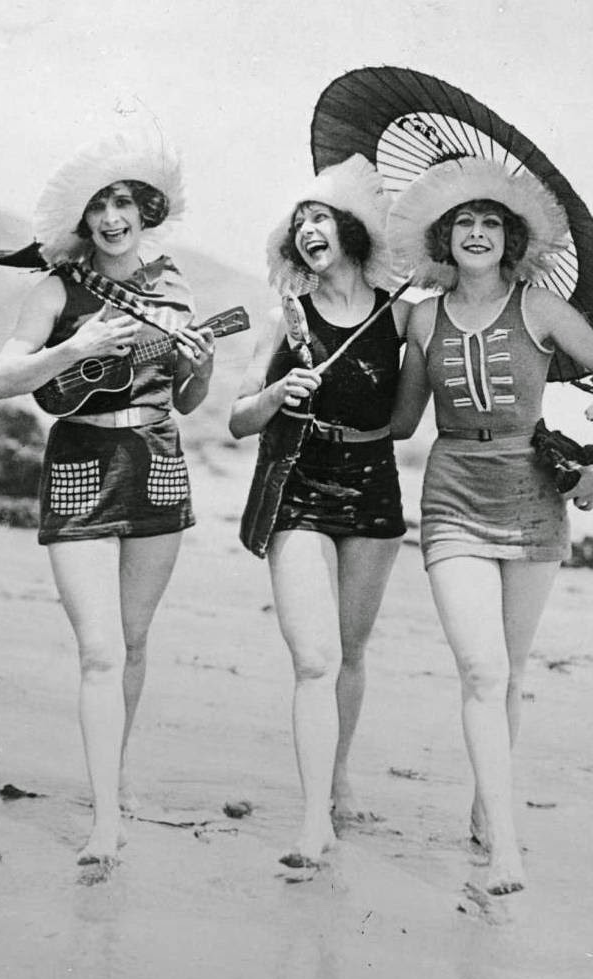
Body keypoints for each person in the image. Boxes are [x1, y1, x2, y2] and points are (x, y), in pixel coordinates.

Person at [386, 156, 593, 895]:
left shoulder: (540, 310)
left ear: (512, 238)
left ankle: (482, 802)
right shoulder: (420, 316)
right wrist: (314, 405)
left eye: (489, 221)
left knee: (511, 673)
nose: (475, 232)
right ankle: (504, 848)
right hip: (452, 495)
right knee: (482, 668)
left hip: (531, 495)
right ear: (442, 235)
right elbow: (402, 422)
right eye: (462, 221)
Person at [0, 119, 216, 865]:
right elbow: (1, 381)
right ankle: (105, 818)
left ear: (146, 208)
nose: (113, 217)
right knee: (97, 649)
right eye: (99, 205)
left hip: (157, 457)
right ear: (81, 217)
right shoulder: (54, 287)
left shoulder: (173, 283)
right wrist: (75, 347)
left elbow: (186, 400)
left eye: (125, 202)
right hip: (82, 459)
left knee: (135, 640)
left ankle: (113, 781)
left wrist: (201, 364)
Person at [229, 155, 409, 868]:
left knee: (351, 653)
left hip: (373, 483)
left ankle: (336, 776)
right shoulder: (286, 318)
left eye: (321, 218)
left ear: (352, 232)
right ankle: (311, 820)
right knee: (314, 659)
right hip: (299, 484)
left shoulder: (401, 314)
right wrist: (278, 394)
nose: (309, 230)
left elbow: (406, 419)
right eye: (299, 222)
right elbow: (239, 418)